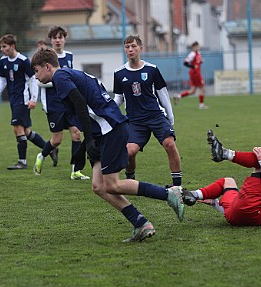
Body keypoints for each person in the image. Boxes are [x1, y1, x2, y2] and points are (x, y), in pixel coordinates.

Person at [31, 47, 185, 242]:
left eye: (36, 71)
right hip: (102, 131)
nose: (35, 77)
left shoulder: (60, 76)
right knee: (98, 186)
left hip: (109, 129)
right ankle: (140, 223)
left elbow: (79, 103)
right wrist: (88, 139)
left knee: (112, 184)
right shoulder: (70, 74)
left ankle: (169, 194)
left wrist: (89, 139)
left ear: (47, 66)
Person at [182, 130, 261, 226]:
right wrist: (215, 204)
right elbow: (242, 211)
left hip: (253, 211)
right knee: (228, 182)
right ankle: (194, 194)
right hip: (237, 216)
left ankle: (225, 153)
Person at [113, 35, 183, 187]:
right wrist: (107, 110)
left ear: (140, 48)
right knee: (129, 152)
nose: (130, 49)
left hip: (156, 116)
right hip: (135, 121)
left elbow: (163, 94)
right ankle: (131, 180)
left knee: (170, 144)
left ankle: (177, 186)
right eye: (127, 47)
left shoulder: (151, 69)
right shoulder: (119, 73)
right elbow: (119, 99)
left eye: (133, 46)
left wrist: (170, 118)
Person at [34, 26, 89, 180]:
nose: (58, 40)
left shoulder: (69, 56)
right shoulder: (46, 57)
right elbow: (39, 82)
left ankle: (75, 170)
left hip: (68, 102)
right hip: (54, 105)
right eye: (54, 38)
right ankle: (41, 155)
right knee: (57, 140)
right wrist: (59, 83)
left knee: (76, 134)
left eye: (60, 37)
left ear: (65, 39)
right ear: (50, 40)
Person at [0, 34, 54, 170]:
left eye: (4, 46)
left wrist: (33, 99)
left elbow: (33, 80)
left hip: (23, 99)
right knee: (25, 131)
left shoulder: (23, 61)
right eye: (1, 47)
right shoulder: (3, 61)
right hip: (13, 99)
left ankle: (22, 161)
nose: (2, 49)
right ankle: (49, 148)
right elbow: (2, 80)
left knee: (17, 128)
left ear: (12, 46)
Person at [174, 41, 208, 109]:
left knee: (193, 91)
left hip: (195, 73)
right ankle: (201, 105)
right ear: (193, 47)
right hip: (195, 73)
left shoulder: (198, 53)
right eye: (196, 46)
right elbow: (185, 63)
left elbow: (198, 61)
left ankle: (178, 96)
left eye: (198, 46)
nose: (198, 47)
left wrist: (200, 61)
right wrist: (193, 67)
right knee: (202, 88)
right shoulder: (192, 54)